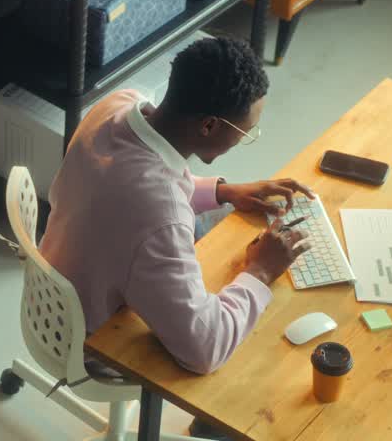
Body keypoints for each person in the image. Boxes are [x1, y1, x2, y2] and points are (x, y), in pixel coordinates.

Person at [39, 35, 312, 386]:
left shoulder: (117, 105)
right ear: (209, 125)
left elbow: (137, 185)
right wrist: (261, 270)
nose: (245, 136)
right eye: (245, 130)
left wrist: (223, 191)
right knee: (260, 334)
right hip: (92, 342)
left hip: (57, 292)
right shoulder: (159, 216)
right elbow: (205, 348)